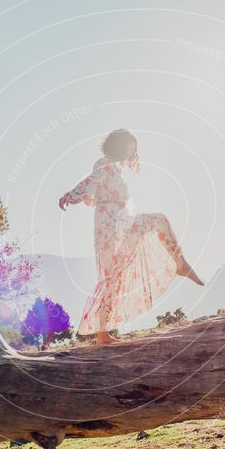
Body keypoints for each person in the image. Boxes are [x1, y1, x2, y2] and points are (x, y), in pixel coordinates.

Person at [59, 129, 204, 345]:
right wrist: (71, 195)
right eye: (128, 149)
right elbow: (91, 182)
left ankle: (102, 334)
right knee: (113, 275)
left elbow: (96, 189)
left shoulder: (114, 169)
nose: (130, 154)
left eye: (132, 150)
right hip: (112, 225)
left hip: (118, 222)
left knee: (115, 274)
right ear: (118, 146)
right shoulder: (104, 165)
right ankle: (102, 335)